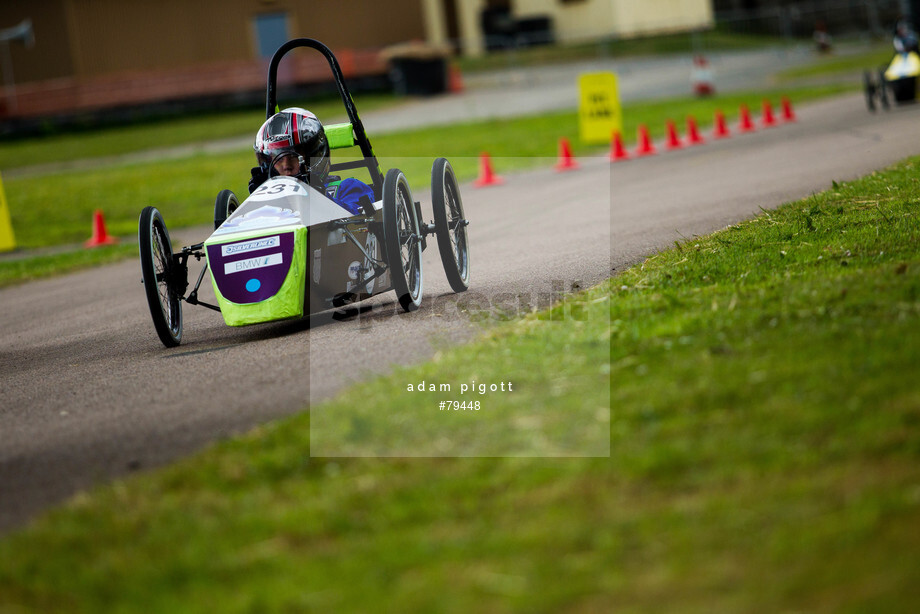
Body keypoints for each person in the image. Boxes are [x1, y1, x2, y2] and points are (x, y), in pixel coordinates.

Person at [249, 107, 375, 215]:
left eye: (294, 156)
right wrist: (256, 203)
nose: (286, 166)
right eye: (279, 158)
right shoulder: (270, 201)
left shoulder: (347, 187)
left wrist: (320, 197)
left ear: (313, 155)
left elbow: (362, 217)